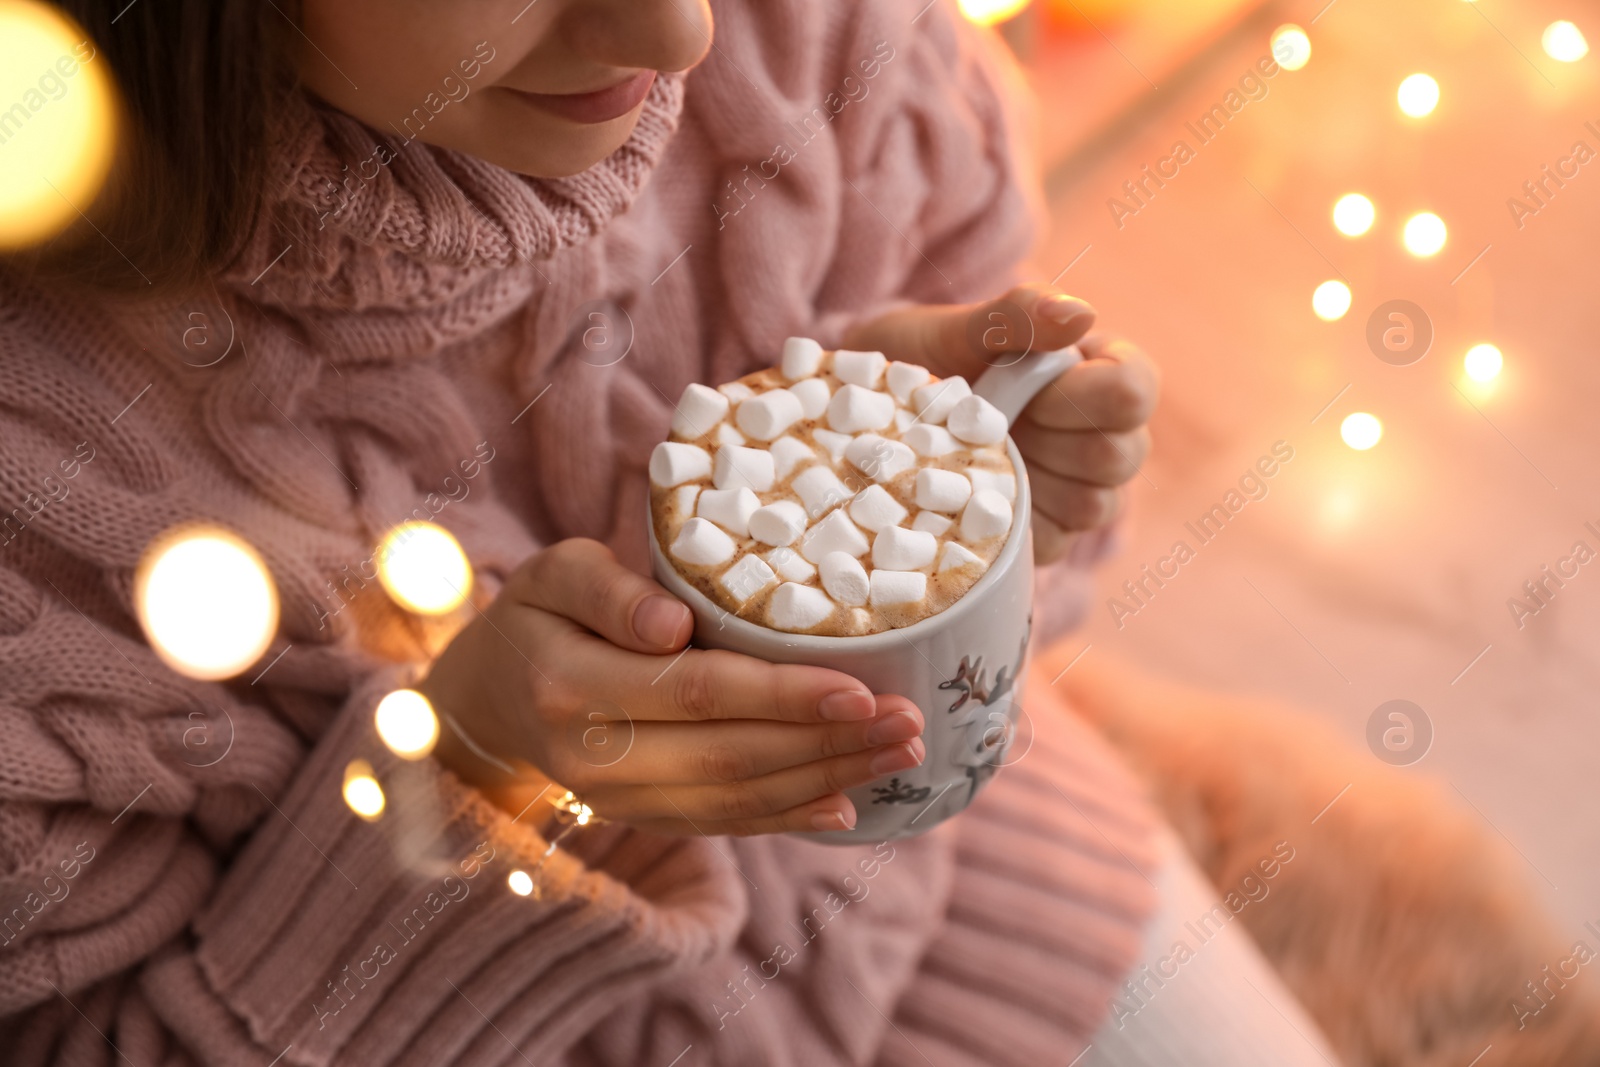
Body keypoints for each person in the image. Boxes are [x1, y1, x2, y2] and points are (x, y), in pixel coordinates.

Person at [0, 0, 1337, 1063]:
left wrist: (983, 513)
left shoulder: (814, 35)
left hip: (974, 909)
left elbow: (1021, 651)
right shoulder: (38, 477)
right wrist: (464, 785)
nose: (681, 34)